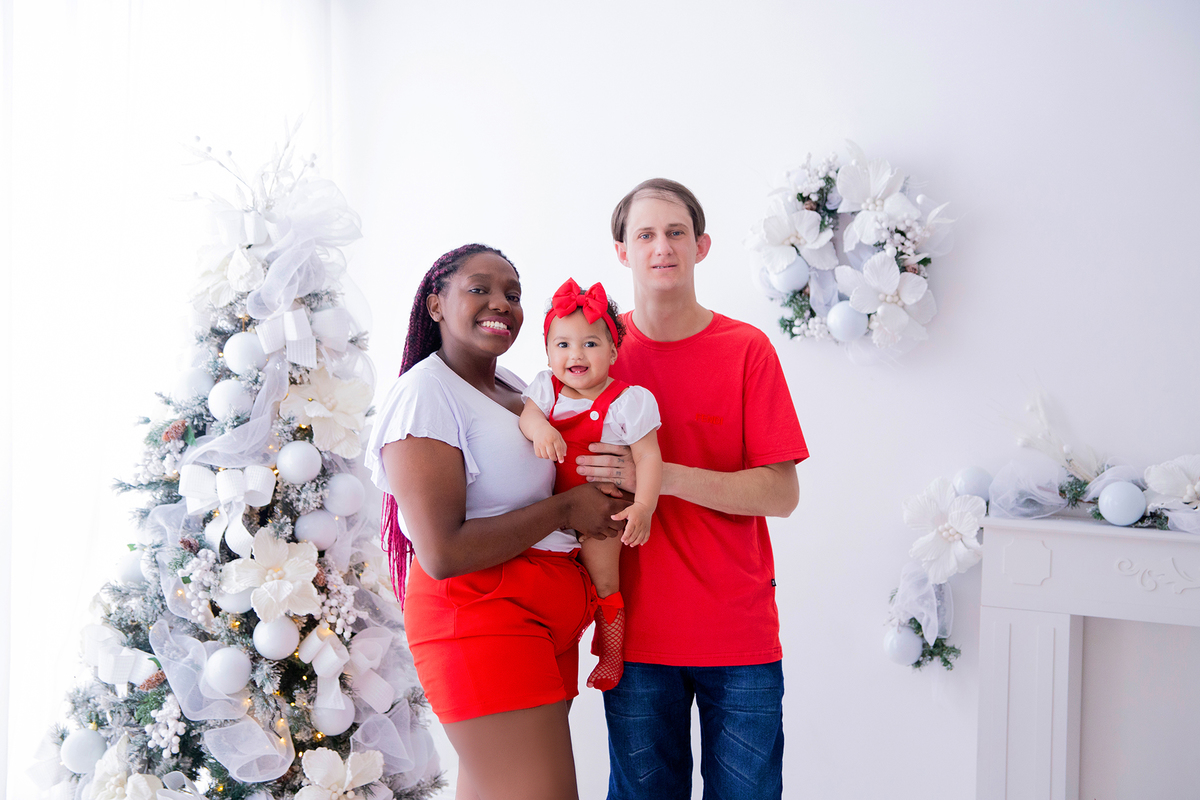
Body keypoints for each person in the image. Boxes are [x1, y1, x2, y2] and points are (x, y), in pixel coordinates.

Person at [366, 243, 630, 800]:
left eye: (512, 294)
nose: (501, 304)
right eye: (480, 289)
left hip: (539, 618)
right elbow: (442, 551)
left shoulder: (511, 384)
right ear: (435, 305)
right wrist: (567, 509)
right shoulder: (424, 395)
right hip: (479, 617)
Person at [575, 179, 809, 800]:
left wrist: (657, 478)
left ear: (702, 246)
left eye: (676, 232)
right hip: (635, 636)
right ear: (621, 251)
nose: (662, 247)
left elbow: (781, 494)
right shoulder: (594, 358)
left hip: (739, 637)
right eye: (645, 234)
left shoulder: (745, 350)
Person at [519, 277, 663, 692]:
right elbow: (527, 417)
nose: (575, 354)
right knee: (547, 585)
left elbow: (649, 457)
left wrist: (644, 507)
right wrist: (540, 429)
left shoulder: (628, 401)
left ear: (613, 350)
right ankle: (554, 646)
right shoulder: (546, 390)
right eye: (562, 345)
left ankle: (611, 648)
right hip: (549, 510)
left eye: (590, 344)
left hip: (603, 511)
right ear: (548, 353)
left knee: (604, 581)